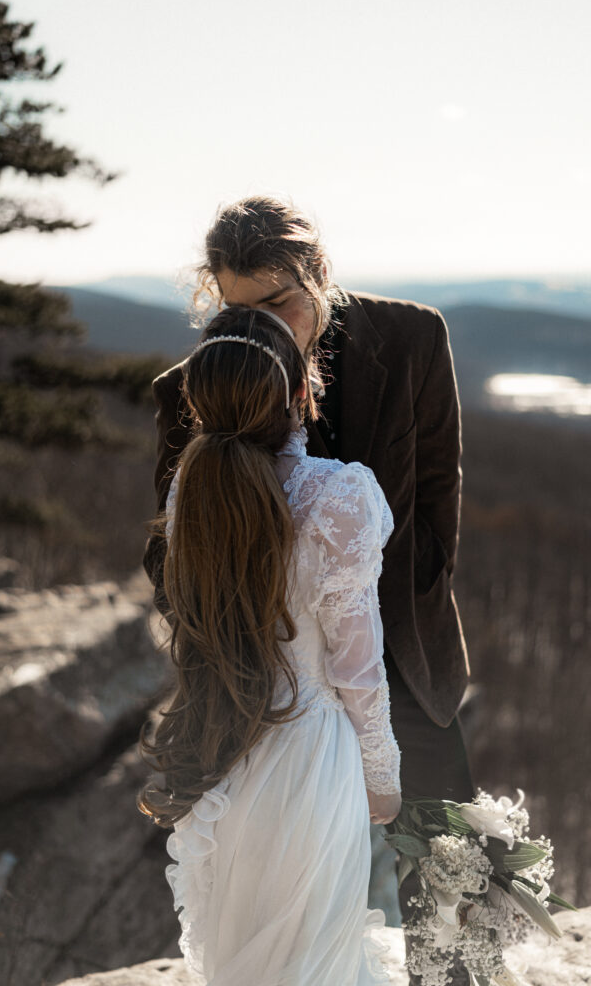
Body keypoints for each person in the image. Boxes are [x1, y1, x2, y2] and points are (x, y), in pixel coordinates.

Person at [143, 196, 474, 983]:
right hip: (268, 675)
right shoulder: (193, 385)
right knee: (280, 898)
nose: (260, 326)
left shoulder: (412, 337)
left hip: (403, 647)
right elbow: (171, 556)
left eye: (279, 302)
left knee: (451, 860)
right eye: (235, 309)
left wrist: (357, 610)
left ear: (320, 279)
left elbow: (436, 513)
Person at [139, 305, 401, 985]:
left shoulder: (188, 493)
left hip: (226, 751)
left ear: (197, 403)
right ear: (299, 394)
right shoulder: (339, 496)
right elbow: (357, 666)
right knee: (315, 963)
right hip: (312, 759)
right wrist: (383, 778)